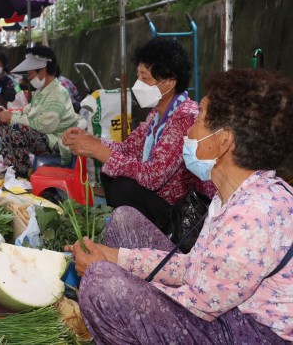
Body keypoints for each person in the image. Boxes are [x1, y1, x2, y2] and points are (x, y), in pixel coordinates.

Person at [69, 68, 293, 344]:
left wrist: (112, 273)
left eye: (198, 118)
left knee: (102, 284)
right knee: (123, 221)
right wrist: (115, 257)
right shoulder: (236, 194)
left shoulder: (253, 215)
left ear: (223, 142)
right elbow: (194, 268)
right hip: (221, 307)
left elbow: (197, 303)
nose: (189, 128)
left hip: (251, 334)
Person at [63, 39, 214, 228]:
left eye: (145, 78)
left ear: (169, 83)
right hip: (158, 198)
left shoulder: (185, 117)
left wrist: (100, 152)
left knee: (123, 187)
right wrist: (91, 141)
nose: (138, 84)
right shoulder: (155, 116)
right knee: (110, 173)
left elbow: (154, 175)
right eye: (138, 76)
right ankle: (128, 227)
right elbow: (126, 149)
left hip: (181, 211)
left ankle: (149, 237)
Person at [0, 46, 77, 178]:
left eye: (30, 73)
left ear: (43, 71)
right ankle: (12, 170)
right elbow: (28, 113)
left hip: (58, 143)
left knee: (17, 128)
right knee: (4, 125)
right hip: (45, 138)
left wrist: (13, 118)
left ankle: (22, 175)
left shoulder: (58, 93)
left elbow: (46, 126)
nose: (28, 77)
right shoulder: (41, 92)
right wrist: (8, 116)